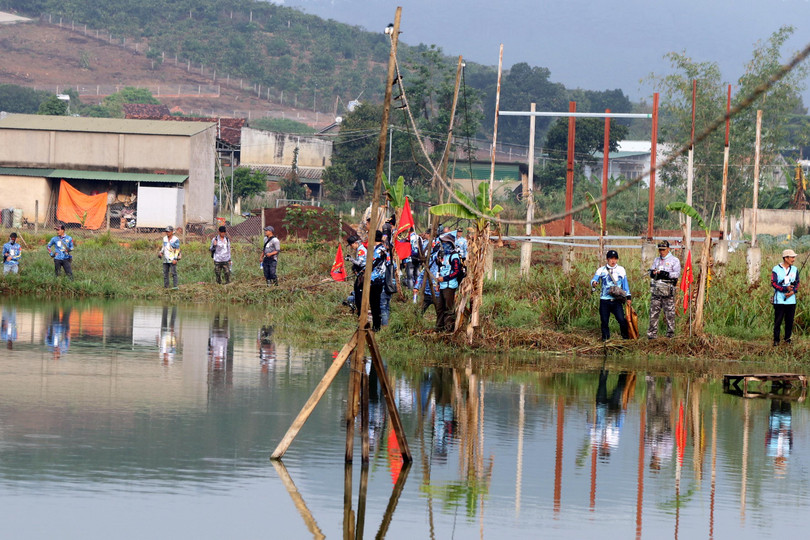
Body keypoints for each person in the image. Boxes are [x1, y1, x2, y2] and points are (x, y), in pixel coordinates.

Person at [590, 249, 632, 341]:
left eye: (615, 258)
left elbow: (625, 285)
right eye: (611, 258)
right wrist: (594, 283)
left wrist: (628, 297)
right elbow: (594, 279)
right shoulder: (601, 270)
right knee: (604, 321)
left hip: (617, 300)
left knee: (621, 320)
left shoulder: (621, 270)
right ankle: (605, 339)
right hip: (604, 300)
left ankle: (626, 338)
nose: (613, 261)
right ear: (607, 259)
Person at [647, 240, 681, 339]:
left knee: (670, 314)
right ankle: (652, 335)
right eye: (660, 249)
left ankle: (670, 335)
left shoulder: (674, 260)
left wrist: (666, 274)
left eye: (664, 249)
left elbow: (677, 274)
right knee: (653, 313)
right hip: (657, 290)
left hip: (667, 291)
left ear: (668, 249)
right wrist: (653, 273)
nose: (662, 252)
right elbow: (652, 271)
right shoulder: (656, 260)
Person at [772, 248, 799, 346]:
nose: (793, 259)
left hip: (791, 301)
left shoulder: (795, 269)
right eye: (792, 257)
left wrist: (792, 291)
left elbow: (797, 283)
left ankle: (787, 339)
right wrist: (784, 289)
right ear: (786, 258)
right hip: (779, 300)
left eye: (794, 257)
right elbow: (774, 283)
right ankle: (776, 340)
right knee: (778, 321)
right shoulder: (776, 269)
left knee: (789, 321)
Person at [435, 231, 462, 332]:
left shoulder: (454, 256)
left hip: (449, 286)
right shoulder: (445, 256)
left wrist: (445, 279)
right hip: (442, 286)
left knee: (449, 309)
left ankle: (449, 330)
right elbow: (443, 270)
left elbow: (456, 272)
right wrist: (439, 283)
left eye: (445, 243)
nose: (443, 245)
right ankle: (439, 328)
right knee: (440, 308)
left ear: (450, 244)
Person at [368, 230, 387, 332]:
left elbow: (371, 263)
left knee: (375, 304)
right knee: (374, 304)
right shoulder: (380, 249)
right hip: (376, 280)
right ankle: (376, 325)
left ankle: (376, 326)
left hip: (376, 280)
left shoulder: (379, 250)